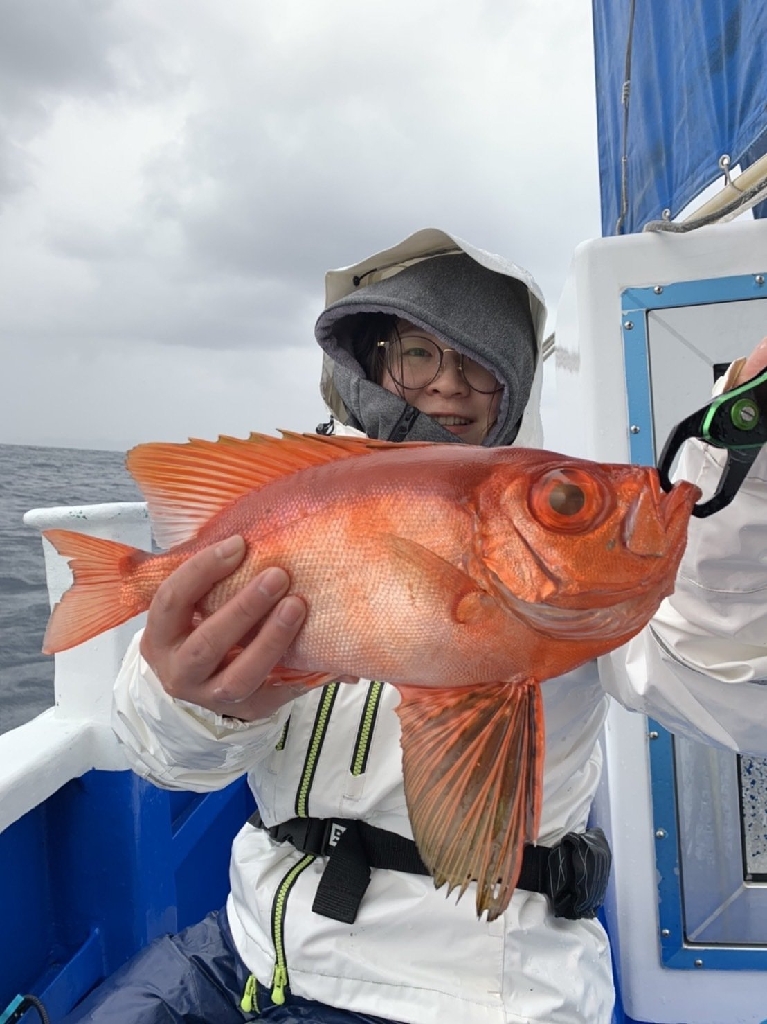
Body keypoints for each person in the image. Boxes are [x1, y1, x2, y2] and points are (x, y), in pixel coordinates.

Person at [65, 228, 767, 1024]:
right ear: (369, 358)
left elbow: (729, 686)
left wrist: (751, 488)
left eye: (478, 365)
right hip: (249, 948)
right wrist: (203, 703)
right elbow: (162, 761)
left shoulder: (553, 539)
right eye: (419, 356)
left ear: (518, 383)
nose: (449, 388)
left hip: (481, 995)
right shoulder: (290, 503)